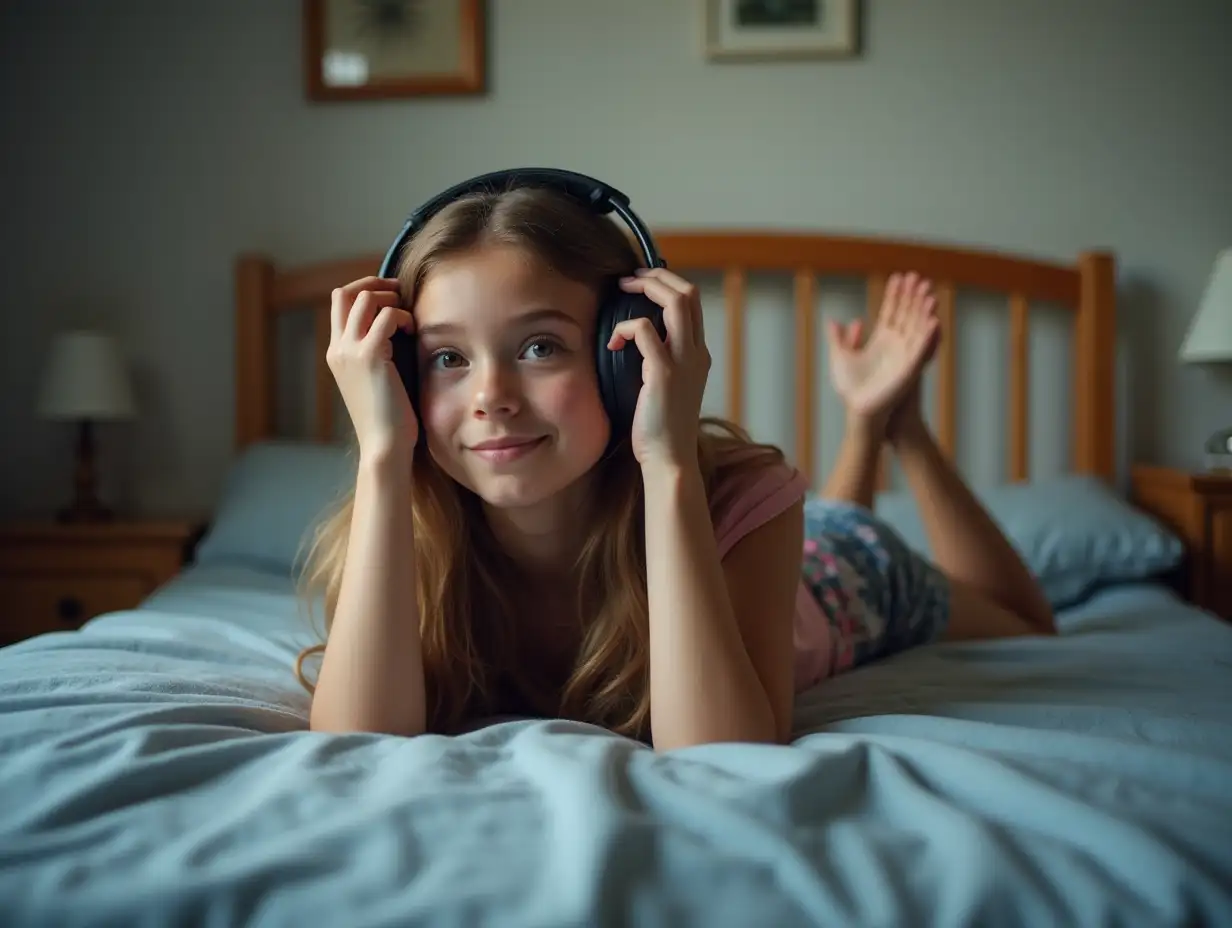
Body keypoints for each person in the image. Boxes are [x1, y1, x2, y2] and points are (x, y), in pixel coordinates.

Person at [293, 183, 1055, 751]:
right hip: (772, 551)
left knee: (1021, 623)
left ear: (625, 354)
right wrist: (386, 457)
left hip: (837, 581)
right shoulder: (401, 526)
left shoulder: (737, 495)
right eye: (446, 358)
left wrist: (667, 460)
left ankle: (900, 426)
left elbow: (722, 755)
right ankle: (868, 422)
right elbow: (355, 743)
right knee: (821, 518)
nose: (491, 396)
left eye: (539, 347)